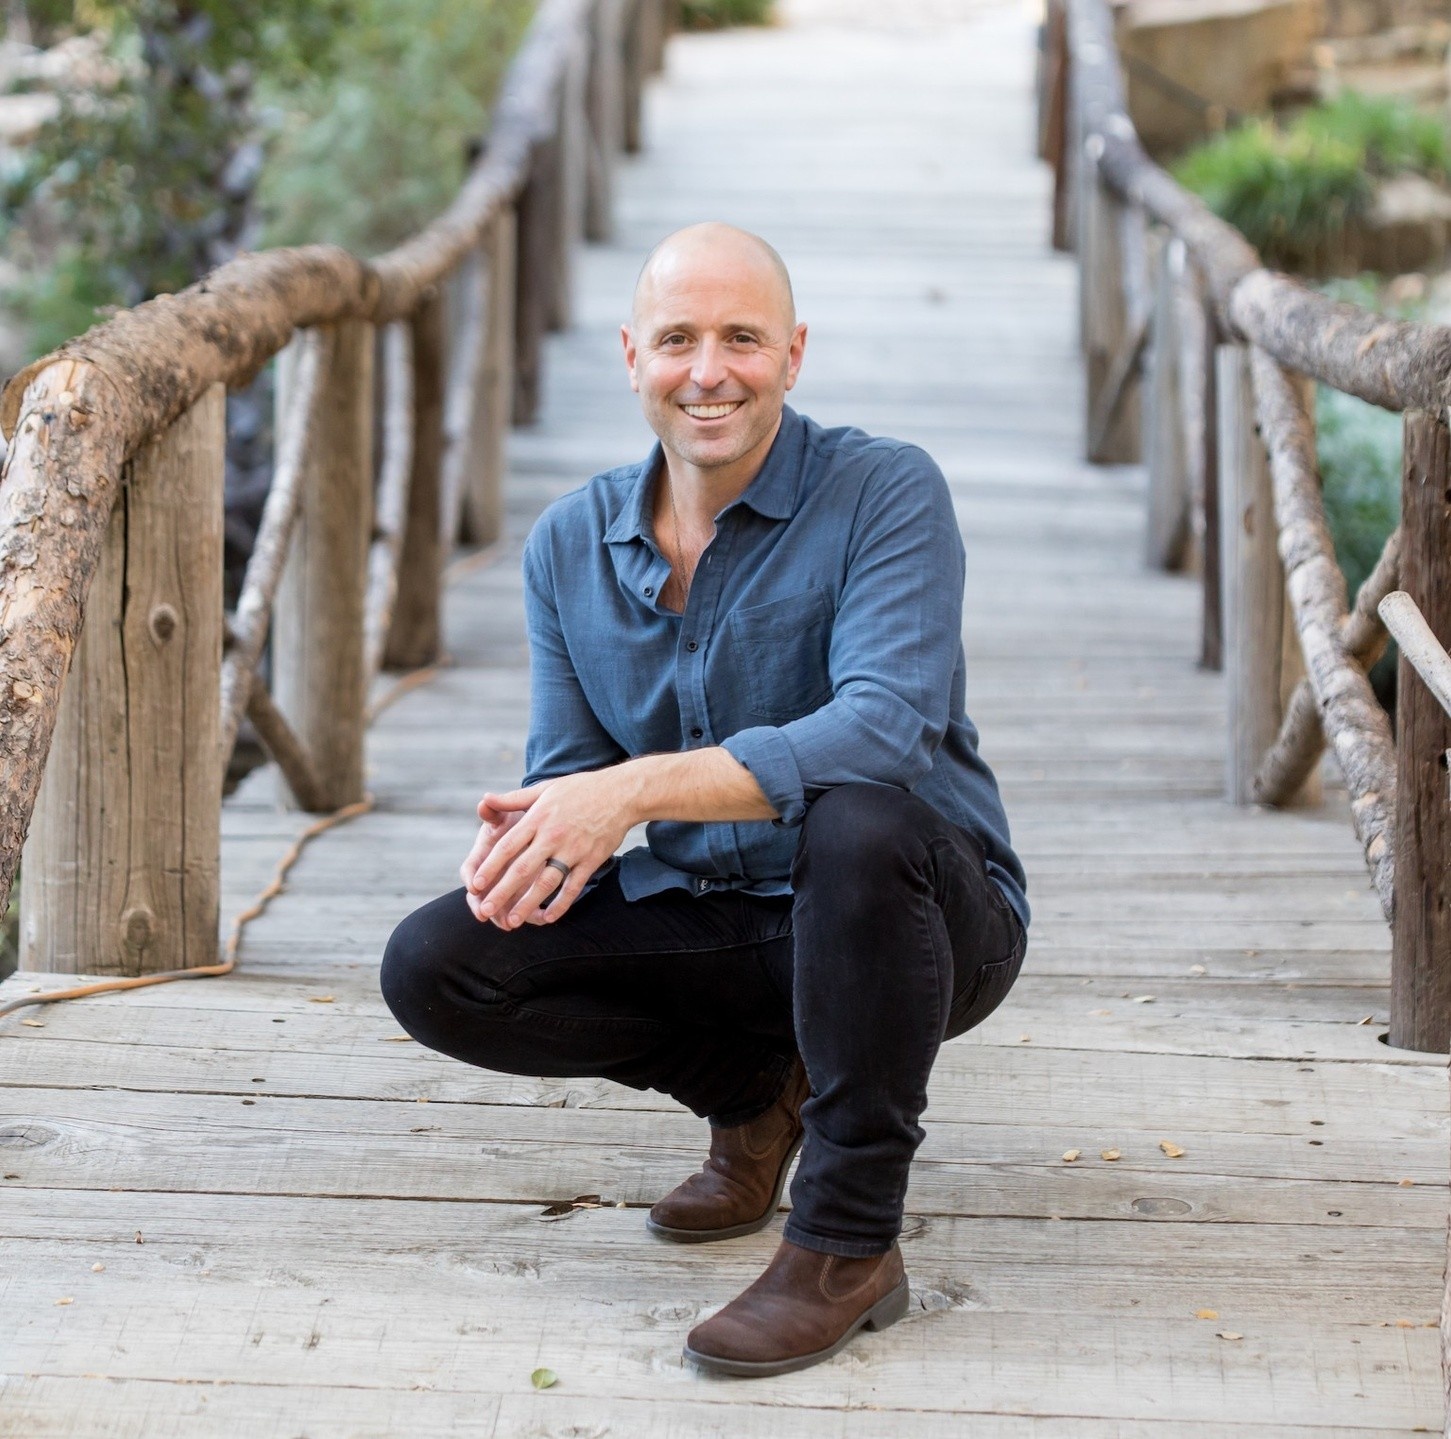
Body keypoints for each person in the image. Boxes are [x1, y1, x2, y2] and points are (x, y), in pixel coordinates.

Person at [380, 221, 1028, 1378]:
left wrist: (629, 791)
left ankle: (845, 1242)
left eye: (742, 338)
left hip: (917, 917)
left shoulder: (885, 490)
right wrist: (534, 843)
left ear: (793, 354)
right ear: (632, 355)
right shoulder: (568, 542)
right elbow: (568, 771)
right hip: (719, 921)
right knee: (438, 961)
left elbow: (883, 730)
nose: (708, 371)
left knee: (856, 811)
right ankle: (753, 1092)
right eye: (677, 339)